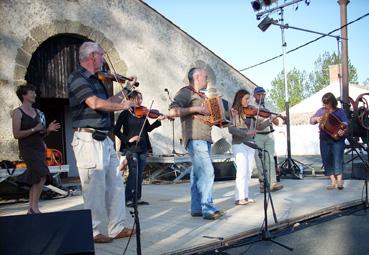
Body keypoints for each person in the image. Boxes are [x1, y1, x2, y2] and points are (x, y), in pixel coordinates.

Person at [68, 41, 135, 243]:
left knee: (115, 184)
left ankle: (117, 227)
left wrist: (128, 90)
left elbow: (111, 101)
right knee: (94, 187)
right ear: (92, 56)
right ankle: (94, 230)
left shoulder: (97, 81)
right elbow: (95, 103)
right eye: (102, 55)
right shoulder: (77, 78)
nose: (104, 59)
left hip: (104, 139)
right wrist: (123, 106)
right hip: (88, 139)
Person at [168, 67, 223, 220]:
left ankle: (197, 208)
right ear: (197, 77)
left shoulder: (203, 96)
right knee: (208, 172)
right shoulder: (186, 92)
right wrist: (197, 108)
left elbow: (210, 118)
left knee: (197, 175)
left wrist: (221, 119)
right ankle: (208, 208)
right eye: (206, 77)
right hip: (195, 138)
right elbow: (172, 111)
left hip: (204, 138)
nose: (207, 80)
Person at [12, 84, 60, 214]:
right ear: (23, 95)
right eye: (31, 92)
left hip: (39, 147)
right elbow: (16, 134)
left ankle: (32, 208)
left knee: (38, 176)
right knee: (42, 173)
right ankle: (34, 207)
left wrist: (48, 130)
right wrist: (34, 129)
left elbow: (42, 133)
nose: (34, 94)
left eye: (34, 92)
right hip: (27, 148)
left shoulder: (39, 113)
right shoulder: (18, 112)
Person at [114, 90, 165, 207]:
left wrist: (158, 121)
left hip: (143, 147)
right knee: (133, 173)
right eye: (137, 98)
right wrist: (128, 140)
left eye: (141, 98)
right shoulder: (125, 114)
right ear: (130, 100)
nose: (140, 101)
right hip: (131, 148)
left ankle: (137, 198)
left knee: (140, 174)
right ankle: (128, 198)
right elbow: (116, 130)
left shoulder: (143, 114)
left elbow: (148, 129)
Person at [310, 92, 349, 190]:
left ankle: (340, 181)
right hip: (324, 139)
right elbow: (311, 121)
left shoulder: (340, 111)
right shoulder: (321, 111)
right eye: (324, 103)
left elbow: (345, 123)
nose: (325, 105)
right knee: (326, 159)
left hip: (337, 139)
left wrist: (343, 129)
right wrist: (316, 118)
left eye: (327, 103)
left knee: (337, 159)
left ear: (332, 102)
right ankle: (333, 182)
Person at [253, 86, 284, 193]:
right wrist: (266, 118)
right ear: (255, 95)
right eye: (259, 94)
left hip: (270, 134)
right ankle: (263, 184)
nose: (261, 96)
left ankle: (273, 183)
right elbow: (257, 124)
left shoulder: (269, 106)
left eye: (263, 94)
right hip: (258, 135)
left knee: (270, 160)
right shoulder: (252, 107)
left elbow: (276, 122)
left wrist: (275, 118)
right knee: (260, 161)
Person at [229, 89, 257, 205]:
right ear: (239, 98)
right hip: (239, 143)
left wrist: (266, 120)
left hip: (250, 143)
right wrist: (245, 133)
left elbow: (257, 127)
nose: (248, 101)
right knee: (241, 170)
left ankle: (245, 196)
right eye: (246, 98)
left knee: (249, 170)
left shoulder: (250, 112)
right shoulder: (233, 111)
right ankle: (239, 198)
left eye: (248, 99)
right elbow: (231, 129)